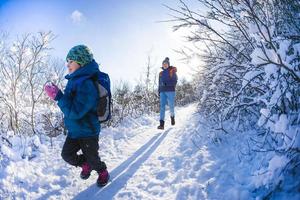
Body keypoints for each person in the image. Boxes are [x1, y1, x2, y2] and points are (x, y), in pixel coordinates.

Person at [44, 45, 109, 187]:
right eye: (67, 61)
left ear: (81, 61)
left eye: (70, 61)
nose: (67, 64)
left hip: (88, 132)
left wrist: (58, 96)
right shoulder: (75, 81)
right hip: (75, 131)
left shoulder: (86, 84)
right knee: (67, 155)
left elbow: (75, 111)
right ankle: (85, 164)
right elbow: (70, 105)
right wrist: (60, 95)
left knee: (93, 159)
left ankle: (102, 170)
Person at [157, 57, 178, 130]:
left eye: (166, 64)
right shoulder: (161, 73)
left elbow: (175, 81)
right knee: (162, 107)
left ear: (168, 64)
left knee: (171, 106)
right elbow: (159, 83)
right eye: (163, 64)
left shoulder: (172, 71)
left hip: (170, 91)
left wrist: (167, 83)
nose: (164, 65)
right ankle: (161, 124)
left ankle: (172, 117)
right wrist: (159, 91)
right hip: (162, 91)